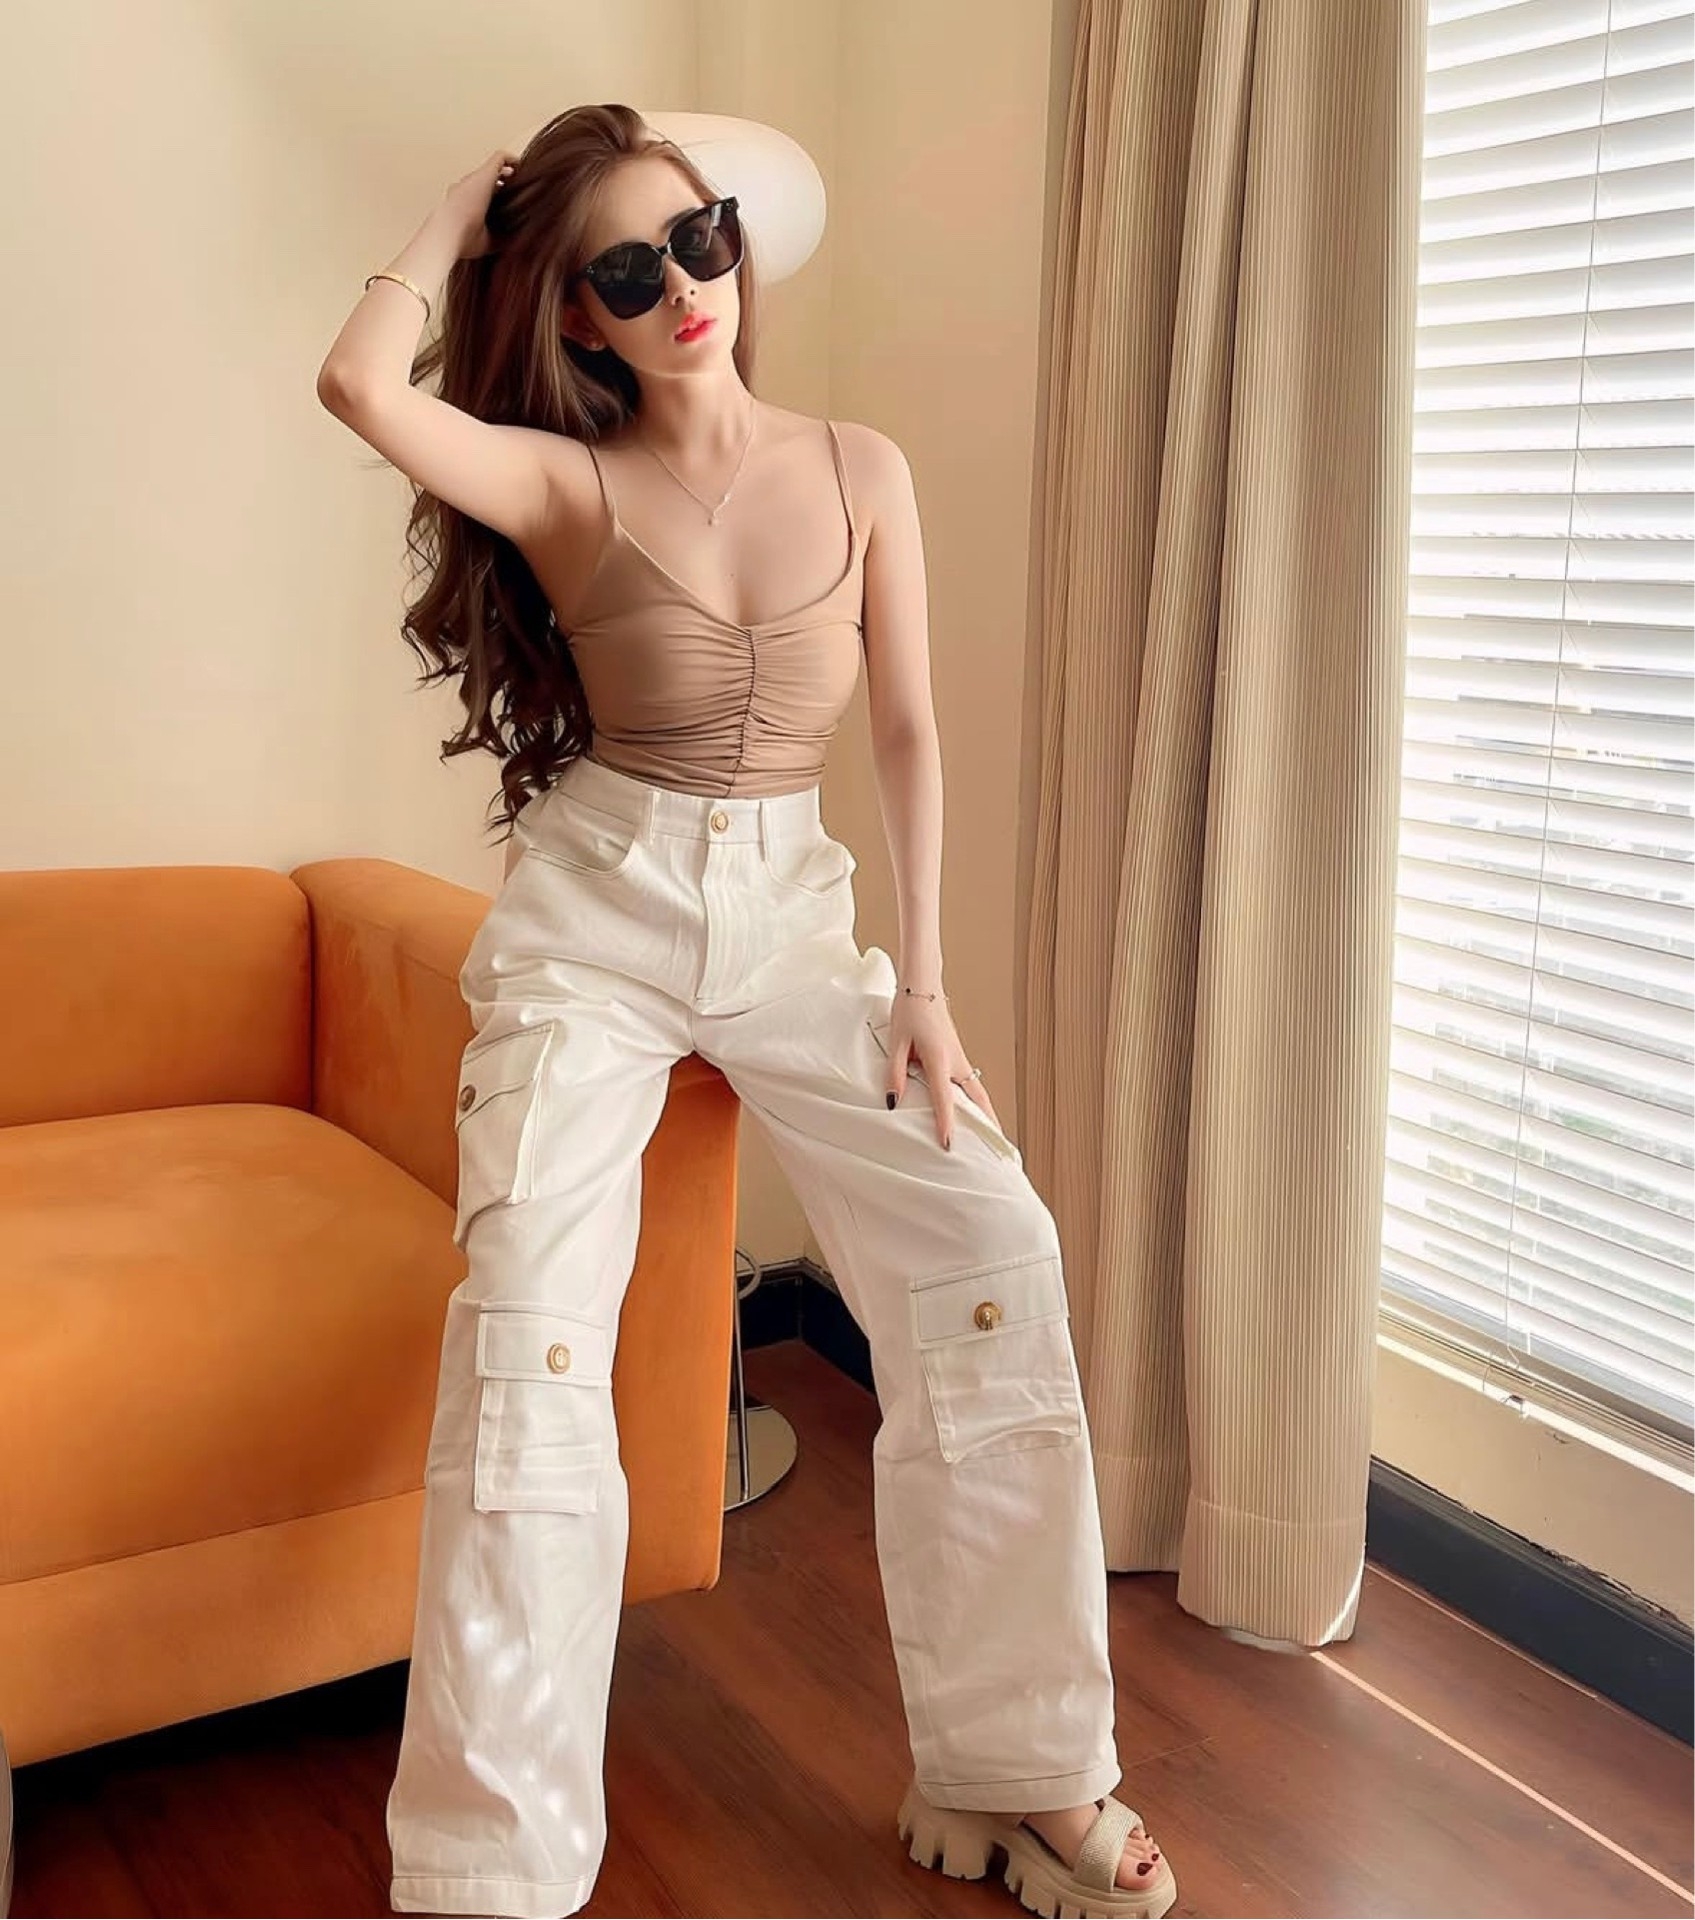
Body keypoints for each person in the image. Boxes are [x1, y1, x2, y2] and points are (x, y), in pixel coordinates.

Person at [315, 102, 1175, 1920]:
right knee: (530, 1332)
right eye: (630, 271)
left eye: (702, 238)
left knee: (991, 1248)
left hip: (793, 919)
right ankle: (489, 1873)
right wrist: (466, 207)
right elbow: (359, 386)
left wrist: (925, 987)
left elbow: (910, 732)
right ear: (580, 316)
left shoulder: (861, 468)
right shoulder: (567, 486)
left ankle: (1015, 1769)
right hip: (598, 917)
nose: (687, 284)